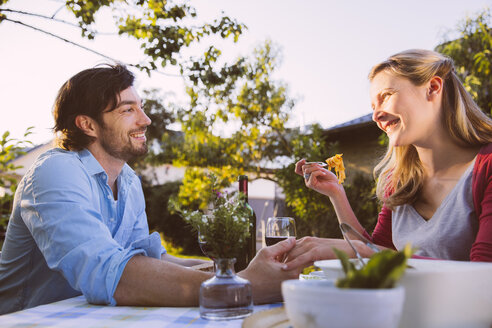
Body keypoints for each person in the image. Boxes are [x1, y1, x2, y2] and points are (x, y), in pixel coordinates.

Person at [0, 64, 300, 315]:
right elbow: (110, 274)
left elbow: (148, 259)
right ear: (87, 125)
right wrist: (244, 287)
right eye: (127, 110)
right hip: (29, 319)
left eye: (140, 107)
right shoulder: (56, 172)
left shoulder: (128, 180)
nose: (146, 120)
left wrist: (226, 272)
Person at [285, 49, 492, 269]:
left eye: (386, 96)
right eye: (373, 107)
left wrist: (368, 252)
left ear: (432, 88)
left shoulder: (485, 167)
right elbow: (378, 253)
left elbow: (483, 274)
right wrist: (336, 193)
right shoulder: (399, 181)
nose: (376, 116)